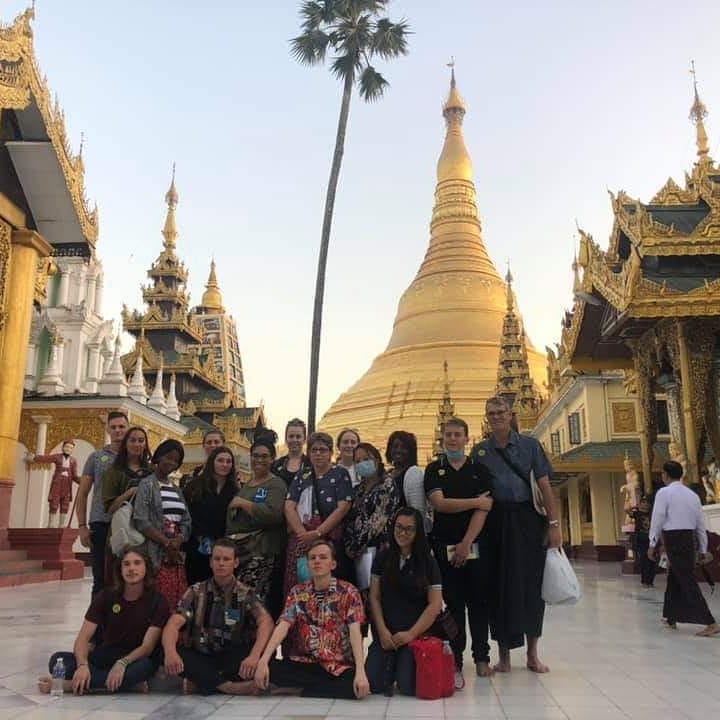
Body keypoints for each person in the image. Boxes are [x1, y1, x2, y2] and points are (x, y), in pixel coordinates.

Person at [472, 396, 561, 674]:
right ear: (487, 418)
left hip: (527, 520)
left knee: (530, 587)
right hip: (494, 522)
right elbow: (475, 493)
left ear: (511, 415)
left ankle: (533, 654)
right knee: (497, 588)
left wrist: (554, 524)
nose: (496, 417)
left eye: (501, 412)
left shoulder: (530, 446)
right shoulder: (480, 451)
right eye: (491, 413)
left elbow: (545, 487)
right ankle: (504, 656)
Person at [38, 546, 169, 695]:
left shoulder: (158, 600)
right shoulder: (106, 596)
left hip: (135, 659)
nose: (131, 568)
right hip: (105, 655)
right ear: (120, 569)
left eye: (137, 563)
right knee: (58, 660)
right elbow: (83, 637)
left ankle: (67, 686)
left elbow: (147, 647)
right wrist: (82, 665)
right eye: (126, 564)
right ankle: (126, 685)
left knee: (143, 668)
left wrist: (122, 663)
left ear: (146, 568)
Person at [425, 416, 494, 688]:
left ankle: (481, 658)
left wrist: (466, 543)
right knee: (452, 606)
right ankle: (454, 658)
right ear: (442, 439)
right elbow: (439, 504)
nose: (452, 439)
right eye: (448, 435)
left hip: (474, 544)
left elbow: (484, 510)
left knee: (478, 603)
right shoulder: (434, 469)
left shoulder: (479, 470)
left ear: (467, 439)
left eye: (457, 435)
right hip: (443, 546)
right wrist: (476, 500)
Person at [254, 539, 369, 699]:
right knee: (267, 668)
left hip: (336, 666)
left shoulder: (349, 592)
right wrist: (264, 660)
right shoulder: (298, 592)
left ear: (333, 564)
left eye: (323, 557)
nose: (317, 561)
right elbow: (283, 625)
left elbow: (355, 632)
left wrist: (360, 671)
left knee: (355, 686)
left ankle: (298, 690)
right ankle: (310, 688)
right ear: (307, 565)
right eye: (313, 558)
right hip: (303, 663)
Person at [162, 538, 275, 695]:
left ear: (235, 563)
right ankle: (229, 687)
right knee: (167, 650)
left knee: (267, 653)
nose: (221, 563)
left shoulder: (246, 593)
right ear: (210, 562)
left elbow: (266, 622)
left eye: (226, 559)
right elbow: (174, 623)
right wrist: (170, 652)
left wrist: (255, 656)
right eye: (217, 559)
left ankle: (203, 682)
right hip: (202, 656)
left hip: (232, 658)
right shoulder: (196, 591)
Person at [366, 507, 443, 696]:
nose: (402, 533)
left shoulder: (428, 562)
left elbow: (435, 605)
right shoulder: (383, 556)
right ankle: (390, 663)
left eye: (409, 529)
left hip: (414, 635)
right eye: (399, 527)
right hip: (386, 634)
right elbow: (374, 597)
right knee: (373, 685)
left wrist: (411, 634)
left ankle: (400, 664)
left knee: (409, 686)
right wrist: (382, 631)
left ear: (418, 533)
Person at [648, 460, 719, 636]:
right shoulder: (692, 495)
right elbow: (700, 524)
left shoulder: (664, 493)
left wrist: (652, 543)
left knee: (686, 579)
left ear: (665, 474)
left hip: (673, 538)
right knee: (675, 576)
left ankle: (709, 621)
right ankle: (670, 616)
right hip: (688, 538)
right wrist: (702, 548)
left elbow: (657, 518)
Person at [283, 432, 353, 596]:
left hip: (327, 536)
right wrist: (303, 534)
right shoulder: (303, 475)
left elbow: (343, 507)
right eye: (314, 450)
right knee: (300, 582)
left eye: (323, 450)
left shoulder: (340, 474)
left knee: (326, 583)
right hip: (302, 538)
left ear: (330, 453)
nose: (318, 454)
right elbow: (289, 506)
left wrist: (318, 533)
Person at [226, 431, 287, 611]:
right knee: (234, 599)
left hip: (260, 553)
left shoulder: (276, 485)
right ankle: (233, 635)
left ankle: (254, 637)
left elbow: (274, 515)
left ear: (273, 459)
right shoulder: (247, 484)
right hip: (238, 552)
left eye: (264, 456)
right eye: (255, 456)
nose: (259, 460)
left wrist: (245, 504)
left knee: (253, 602)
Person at [133, 439, 191, 610]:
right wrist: (166, 542)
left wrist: (179, 539)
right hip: (154, 552)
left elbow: (186, 520)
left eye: (175, 460)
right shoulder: (147, 485)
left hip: (175, 555)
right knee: (154, 603)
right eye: (167, 457)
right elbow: (141, 520)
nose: (170, 462)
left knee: (175, 602)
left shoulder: (176, 489)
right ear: (158, 457)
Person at [76, 411, 130, 596]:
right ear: (107, 429)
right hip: (101, 522)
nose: (117, 431)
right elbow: (82, 493)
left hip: (129, 524)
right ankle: (96, 624)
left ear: (128, 428)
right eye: (113, 427)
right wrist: (82, 526)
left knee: (127, 576)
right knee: (100, 578)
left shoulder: (136, 457)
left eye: (121, 426)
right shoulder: (97, 457)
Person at [343, 442, 400, 591]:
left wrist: (357, 545)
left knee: (376, 593)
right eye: (358, 461)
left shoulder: (387, 485)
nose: (362, 464)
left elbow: (378, 519)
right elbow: (349, 518)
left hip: (377, 549)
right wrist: (349, 545)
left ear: (376, 460)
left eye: (366, 459)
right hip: (356, 552)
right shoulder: (358, 489)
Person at [183, 445, 238, 585]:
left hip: (223, 548)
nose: (224, 464)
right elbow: (187, 513)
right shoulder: (195, 486)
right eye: (220, 460)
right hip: (197, 545)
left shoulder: (235, 490)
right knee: (196, 586)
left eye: (228, 461)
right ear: (212, 462)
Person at [26, 439, 80, 528]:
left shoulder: (73, 461)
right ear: (63, 447)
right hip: (57, 483)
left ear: (73, 449)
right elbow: (46, 458)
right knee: (54, 502)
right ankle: (51, 524)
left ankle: (61, 524)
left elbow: (74, 476)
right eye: (66, 447)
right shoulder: (57, 457)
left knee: (65, 504)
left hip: (67, 485)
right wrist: (35, 457)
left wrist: (81, 481)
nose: (68, 449)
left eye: (70, 448)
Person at [386, 430, 432, 532]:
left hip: (405, 534)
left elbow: (417, 512)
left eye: (404, 447)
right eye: (395, 446)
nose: (398, 450)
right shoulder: (387, 474)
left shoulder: (414, 473)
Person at [102, 427, 153, 517]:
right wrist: (130, 492)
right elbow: (110, 509)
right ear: (125, 444)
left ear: (145, 445)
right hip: (123, 525)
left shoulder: (152, 471)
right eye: (132, 440)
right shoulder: (114, 471)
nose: (137, 444)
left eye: (141, 441)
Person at [271, 418, 310, 487]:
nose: (294, 440)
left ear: (304, 440)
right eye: (291, 436)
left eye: (298, 437)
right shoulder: (276, 465)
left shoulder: (310, 465)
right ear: (286, 439)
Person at [630, 496, 656, 588]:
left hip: (652, 540)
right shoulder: (636, 513)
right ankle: (644, 581)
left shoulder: (652, 514)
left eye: (646, 503)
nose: (645, 504)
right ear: (640, 504)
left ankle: (650, 581)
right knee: (644, 560)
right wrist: (634, 507)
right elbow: (626, 510)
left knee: (652, 561)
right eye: (643, 502)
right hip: (641, 540)